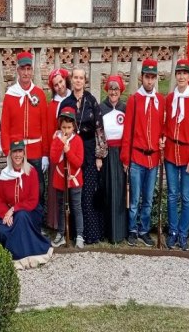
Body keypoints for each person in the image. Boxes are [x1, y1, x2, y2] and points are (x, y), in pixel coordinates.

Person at [59, 66, 108, 244]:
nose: (78, 81)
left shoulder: (91, 101)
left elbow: (99, 128)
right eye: (75, 78)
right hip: (70, 150)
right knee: (74, 193)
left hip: (88, 150)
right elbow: (60, 129)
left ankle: (90, 233)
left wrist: (99, 156)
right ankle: (73, 232)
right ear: (71, 80)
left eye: (81, 78)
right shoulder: (66, 103)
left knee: (87, 194)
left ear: (85, 81)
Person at [122, 61, 166, 247]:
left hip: (153, 157)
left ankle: (144, 230)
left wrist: (163, 138)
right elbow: (128, 130)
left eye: (152, 77)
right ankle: (132, 229)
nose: (150, 81)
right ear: (142, 78)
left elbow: (163, 127)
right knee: (135, 199)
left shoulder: (160, 100)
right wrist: (126, 157)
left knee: (148, 199)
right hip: (137, 156)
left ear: (156, 78)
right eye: (147, 77)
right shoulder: (134, 100)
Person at [163, 59, 189, 251]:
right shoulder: (170, 98)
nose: (181, 76)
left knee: (186, 196)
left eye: (184, 73)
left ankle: (183, 233)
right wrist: (163, 136)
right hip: (171, 152)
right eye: (178, 73)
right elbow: (166, 124)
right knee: (172, 195)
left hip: (187, 153)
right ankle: (172, 232)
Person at [0, 52, 50, 209]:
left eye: (29, 69)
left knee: (38, 188)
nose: (26, 73)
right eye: (23, 69)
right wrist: (7, 149)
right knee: (18, 188)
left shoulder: (40, 94)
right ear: (18, 70)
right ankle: (19, 218)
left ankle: (37, 220)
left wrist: (45, 154)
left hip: (35, 151)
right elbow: (5, 125)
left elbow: (45, 127)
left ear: (32, 71)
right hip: (17, 151)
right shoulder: (10, 95)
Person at [0, 140, 51, 264]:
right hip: (9, 214)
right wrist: (6, 213)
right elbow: (0, 201)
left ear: (24, 153)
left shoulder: (31, 172)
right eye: (15, 151)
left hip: (29, 212)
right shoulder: (5, 174)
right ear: (10, 154)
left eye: (20, 151)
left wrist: (14, 209)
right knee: (3, 233)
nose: (17, 155)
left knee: (21, 216)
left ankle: (18, 255)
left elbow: (33, 200)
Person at [50, 107, 84, 248]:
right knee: (61, 208)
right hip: (60, 179)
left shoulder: (78, 141)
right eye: (64, 127)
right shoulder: (57, 139)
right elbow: (54, 158)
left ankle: (80, 235)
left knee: (76, 207)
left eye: (69, 127)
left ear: (73, 127)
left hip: (74, 180)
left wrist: (68, 151)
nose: (66, 130)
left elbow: (78, 163)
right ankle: (61, 234)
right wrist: (59, 143)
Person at [101, 75, 128, 245]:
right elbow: (98, 132)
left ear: (120, 91)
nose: (113, 92)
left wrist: (126, 157)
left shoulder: (125, 108)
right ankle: (107, 231)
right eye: (111, 89)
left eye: (116, 89)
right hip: (105, 153)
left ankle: (120, 231)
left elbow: (128, 134)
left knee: (119, 192)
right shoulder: (100, 108)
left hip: (120, 154)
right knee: (107, 190)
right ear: (107, 90)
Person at [46, 68, 71, 229]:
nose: (59, 86)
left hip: (71, 147)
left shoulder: (73, 98)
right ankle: (57, 223)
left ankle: (71, 223)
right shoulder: (52, 105)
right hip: (57, 149)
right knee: (56, 188)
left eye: (61, 82)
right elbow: (49, 128)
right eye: (56, 85)